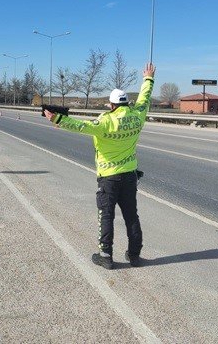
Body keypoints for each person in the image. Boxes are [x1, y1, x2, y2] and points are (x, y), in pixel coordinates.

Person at [43, 63, 155, 269]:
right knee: (131, 215)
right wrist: (148, 78)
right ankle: (135, 255)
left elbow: (81, 126)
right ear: (126, 103)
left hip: (109, 178)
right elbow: (144, 98)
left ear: (112, 105)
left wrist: (57, 118)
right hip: (130, 175)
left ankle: (106, 255)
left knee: (106, 215)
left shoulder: (105, 122)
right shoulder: (137, 116)